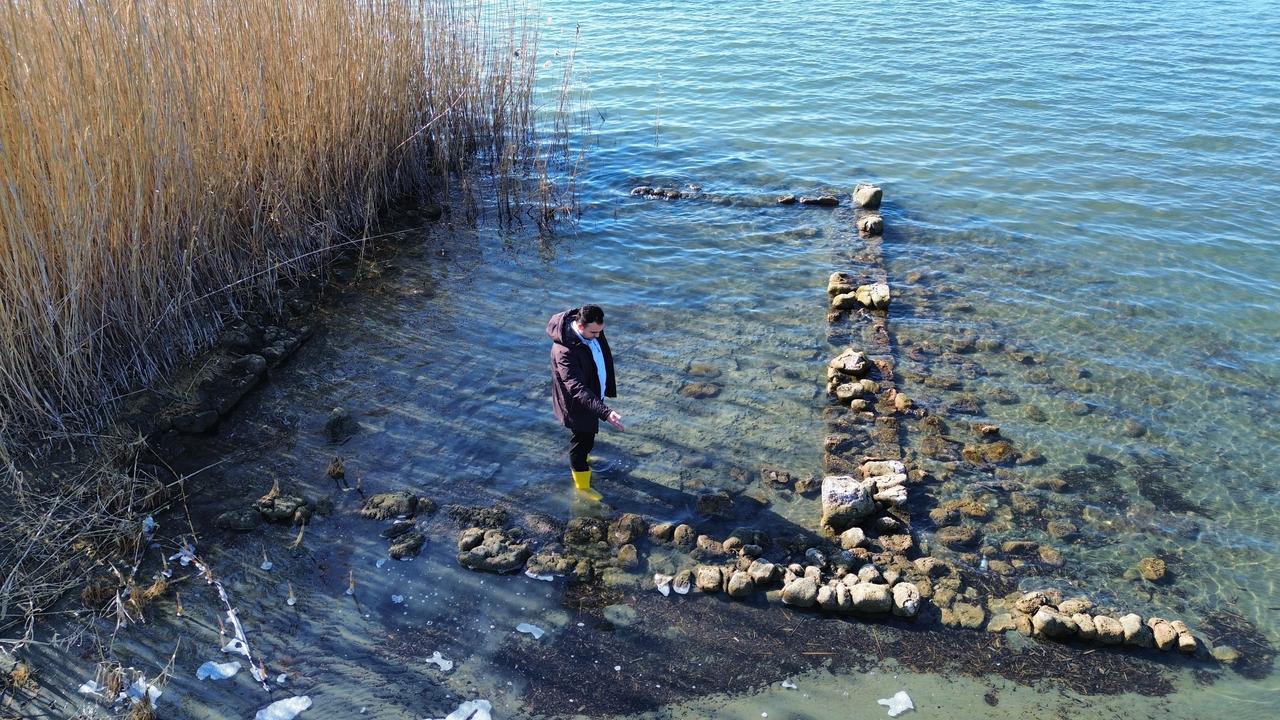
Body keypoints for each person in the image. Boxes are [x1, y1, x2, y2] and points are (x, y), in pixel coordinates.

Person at [546, 304, 625, 500]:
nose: (598, 336)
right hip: (578, 405)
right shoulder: (564, 351)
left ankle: (585, 458)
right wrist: (605, 412)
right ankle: (582, 487)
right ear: (580, 326)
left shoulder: (591, 330)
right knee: (581, 443)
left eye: (600, 331)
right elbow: (576, 388)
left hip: (593, 397)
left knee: (587, 439)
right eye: (594, 333)